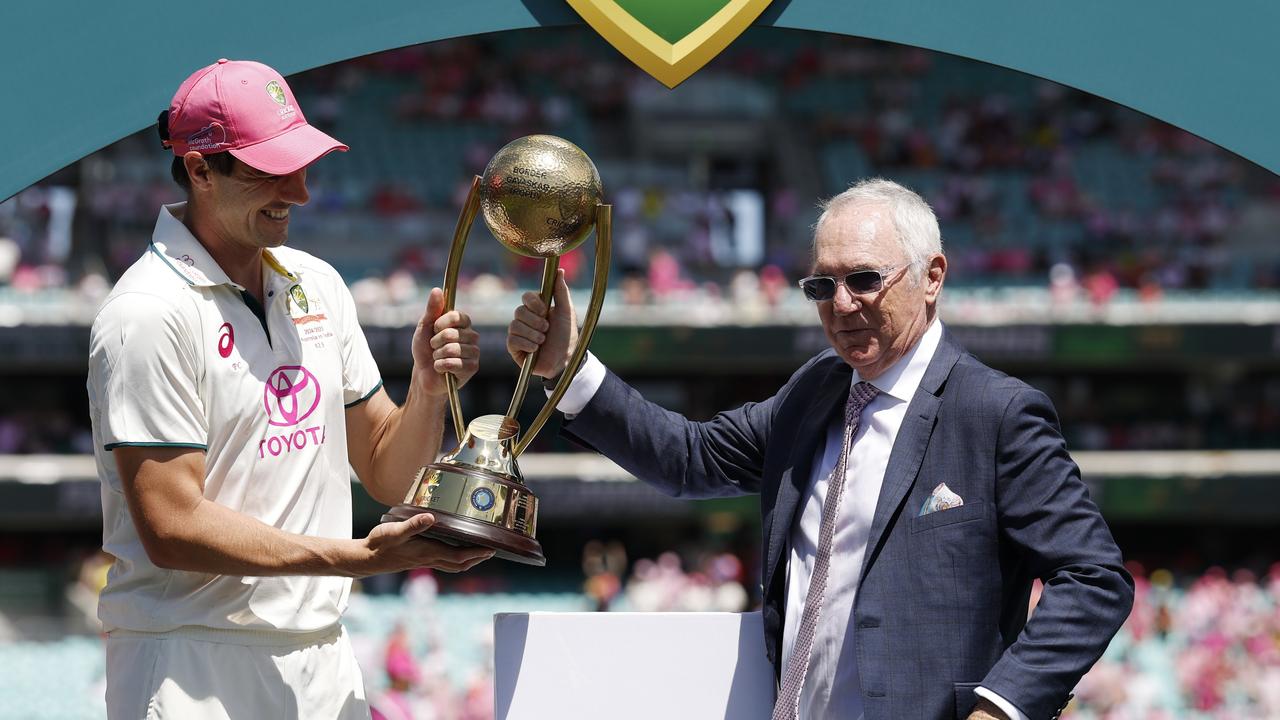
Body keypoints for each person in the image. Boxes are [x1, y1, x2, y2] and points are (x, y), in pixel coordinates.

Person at [507, 178, 1134, 720]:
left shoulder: (996, 413)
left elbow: (1095, 578)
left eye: (864, 280)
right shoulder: (815, 391)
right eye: (821, 286)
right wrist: (569, 368)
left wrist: (1000, 707)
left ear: (932, 276)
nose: (841, 305)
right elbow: (690, 458)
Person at [87, 59, 493, 719]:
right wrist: (354, 559)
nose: (299, 192)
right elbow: (172, 526)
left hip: (322, 657)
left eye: (301, 165)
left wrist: (425, 387)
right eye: (270, 170)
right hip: (189, 663)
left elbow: (389, 473)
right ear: (199, 170)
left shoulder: (318, 284)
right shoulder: (146, 313)